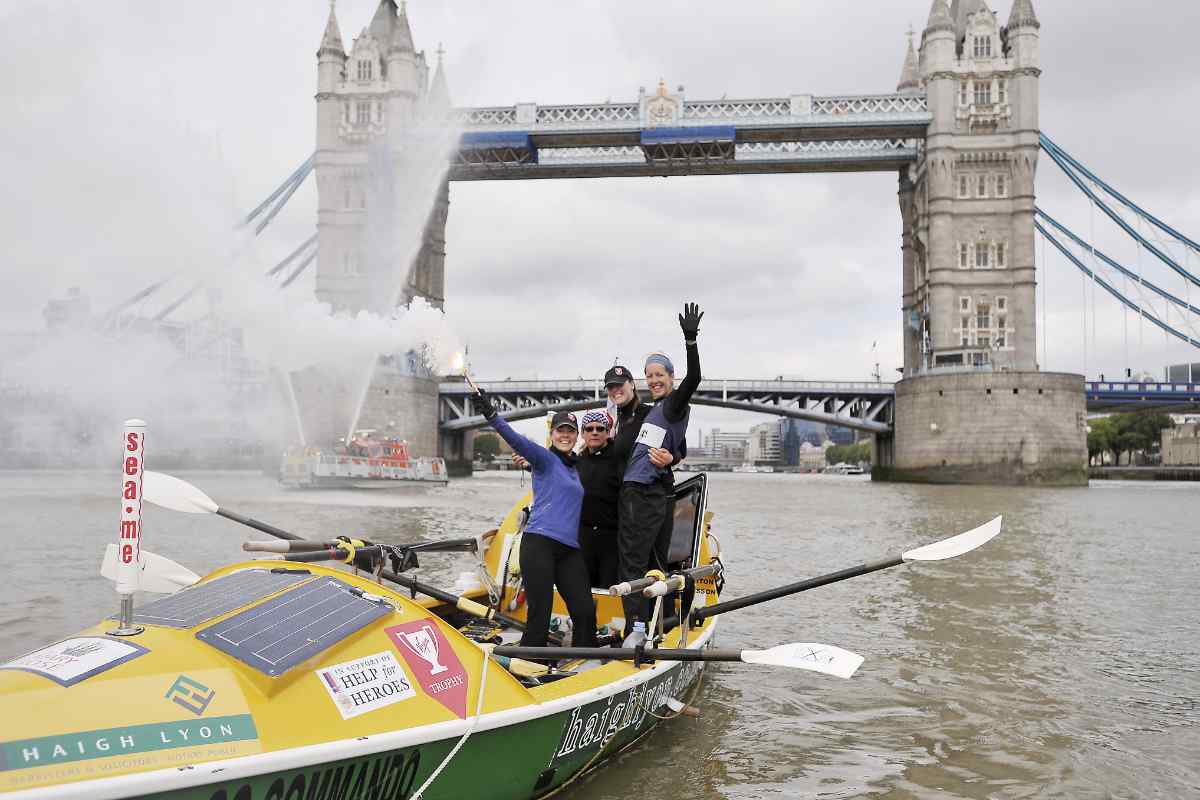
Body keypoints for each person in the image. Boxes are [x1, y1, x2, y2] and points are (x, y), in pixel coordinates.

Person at [475, 393, 596, 651]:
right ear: (552, 435)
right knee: (540, 615)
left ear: (576, 437)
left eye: (570, 432)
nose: (565, 436)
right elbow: (515, 439)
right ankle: (529, 664)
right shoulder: (544, 458)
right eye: (560, 431)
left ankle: (588, 659)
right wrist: (491, 415)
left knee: (585, 610)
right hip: (539, 544)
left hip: (568, 550)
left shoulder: (574, 467)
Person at [617, 302, 704, 647]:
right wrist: (674, 457)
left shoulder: (672, 404)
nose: (654, 380)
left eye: (660, 376)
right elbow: (672, 445)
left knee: (632, 564)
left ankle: (635, 631)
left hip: (643, 492)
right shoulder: (655, 411)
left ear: (671, 379)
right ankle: (658, 625)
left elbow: (694, 379)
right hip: (647, 491)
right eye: (649, 375)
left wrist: (691, 340)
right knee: (653, 561)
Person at [575, 409, 621, 589]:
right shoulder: (578, 461)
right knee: (583, 587)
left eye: (600, 429)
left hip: (611, 538)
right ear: (582, 433)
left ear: (608, 432)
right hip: (583, 536)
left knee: (607, 587)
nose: (594, 432)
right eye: (589, 428)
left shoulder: (619, 459)